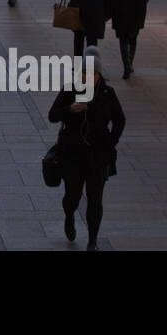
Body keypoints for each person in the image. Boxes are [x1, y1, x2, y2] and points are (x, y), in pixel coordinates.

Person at [48, 46, 126, 251]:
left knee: (95, 198)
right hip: (72, 153)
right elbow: (52, 115)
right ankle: (69, 215)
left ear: (100, 75)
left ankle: (92, 241)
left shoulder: (108, 94)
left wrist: (111, 141)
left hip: (97, 155)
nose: (88, 77)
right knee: (72, 196)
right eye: (84, 72)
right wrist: (69, 109)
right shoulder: (69, 89)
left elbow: (119, 119)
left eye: (93, 73)